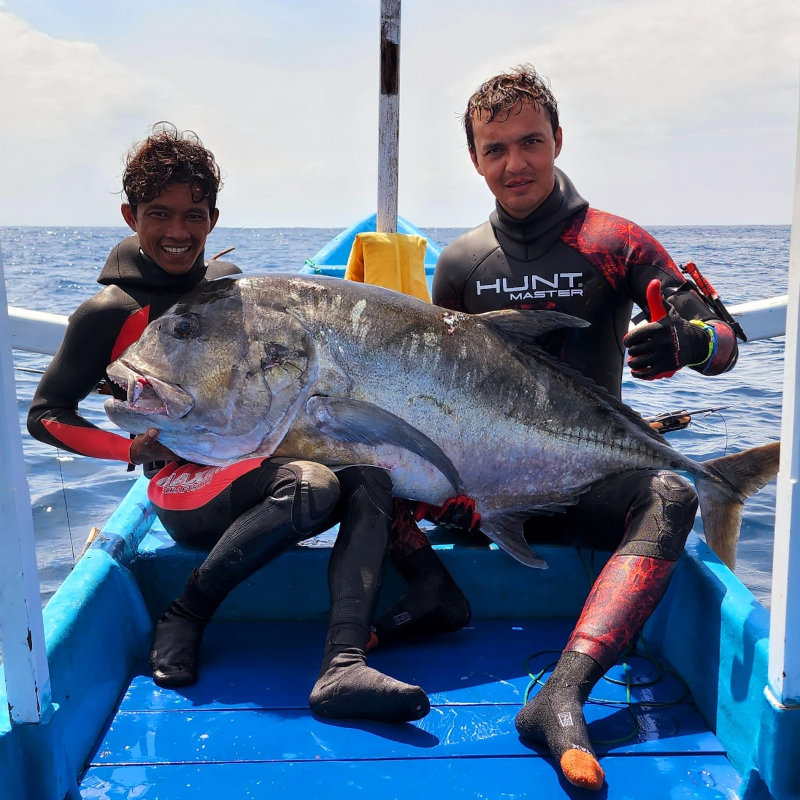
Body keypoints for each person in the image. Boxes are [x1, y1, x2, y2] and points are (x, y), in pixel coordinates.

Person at [388, 65, 740, 790]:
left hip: (589, 487)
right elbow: (435, 390)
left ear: (558, 140)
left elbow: (724, 338)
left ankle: (563, 693)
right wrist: (458, 486)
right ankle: (426, 597)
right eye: (495, 149)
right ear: (475, 159)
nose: (515, 164)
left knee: (671, 496)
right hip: (485, 493)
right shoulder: (457, 264)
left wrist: (688, 342)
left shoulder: (614, 242)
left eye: (530, 142)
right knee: (361, 472)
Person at [27, 123, 427, 724]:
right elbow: (45, 415)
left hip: (248, 464)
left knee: (367, 472)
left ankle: (345, 661)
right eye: (159, 214)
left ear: (213, 218)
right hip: (185, 492)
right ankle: (186, 613)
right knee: (315, 486)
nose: (178, 232)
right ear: (129, 215)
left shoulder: (227, 292)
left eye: (194, 215)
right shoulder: (108, 312)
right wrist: (131, 452)